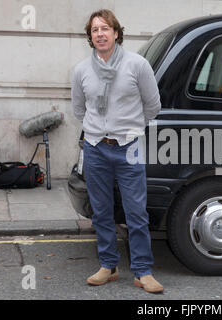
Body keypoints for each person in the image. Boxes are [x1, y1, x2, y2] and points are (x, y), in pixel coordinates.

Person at [71, 9, 163, 293]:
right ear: (90, 36)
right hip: (96, 147)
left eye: (105, 28)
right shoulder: (81, 70)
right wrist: (99, 130)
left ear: (116, 33)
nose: (100, 34)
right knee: (100, 211)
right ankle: (108, 266)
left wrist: (130, 128)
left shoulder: (137, 65)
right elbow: (78, 109)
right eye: (94, 30)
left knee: (136, 212)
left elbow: (153, 105)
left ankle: (143, 271)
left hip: (129, 147)